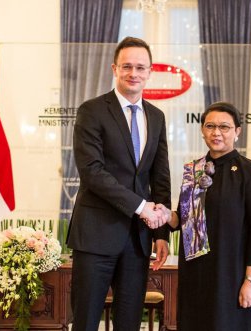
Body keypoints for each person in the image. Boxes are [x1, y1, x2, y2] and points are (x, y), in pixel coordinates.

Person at [66, 37, 171, 331]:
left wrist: (161, 233)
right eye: (127, 66)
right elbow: (92, 172)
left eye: (140, 67)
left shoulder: (157, 117)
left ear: (150, 72)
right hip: (96, 236)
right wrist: (141, 207)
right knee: (85, 321)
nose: (133, 73)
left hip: (137, 241)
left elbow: (160, 178)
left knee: (128, 323)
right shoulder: (92, 110)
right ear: (114, 68)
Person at [158, 102, 251, 331]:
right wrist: (167, 215)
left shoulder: (249, 171)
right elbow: (183, 220)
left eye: (224, 127)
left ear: (237, 131)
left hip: (231, 273)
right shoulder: (194, 170)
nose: (216, 132)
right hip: (195, 274)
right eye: (210, 126)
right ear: (202, 130)